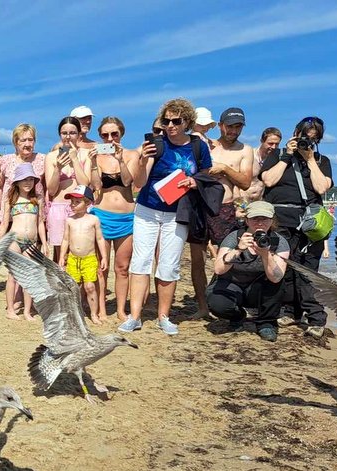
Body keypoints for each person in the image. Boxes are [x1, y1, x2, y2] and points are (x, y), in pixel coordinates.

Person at [122, 98, 212, 335]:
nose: (170, 125)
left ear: (187, 122)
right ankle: (135, 316)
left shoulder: (198, 146)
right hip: (147, 209)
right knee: (140, 261)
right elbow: (139, 182)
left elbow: (206, 175)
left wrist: (194, 182)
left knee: (169, 264)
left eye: (176, 121)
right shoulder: (158, 144)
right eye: (166, 121)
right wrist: (142, 160)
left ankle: (164, 316)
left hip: (178, 212)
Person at [260, 116, 333, 338]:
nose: (306, 143)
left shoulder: (321, 160)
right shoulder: (277, 155)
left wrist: (310, 160)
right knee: (284, 267)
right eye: (304, 137)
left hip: (309, 222)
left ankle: (316, 317)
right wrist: (286, 156)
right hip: (280, 219)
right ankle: (289, 311)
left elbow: (321, 188)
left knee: (308, 269)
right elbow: (268, 180)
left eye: (312, 139)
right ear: (295, 134)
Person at [189, 107, 255, 318]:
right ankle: (202, 307)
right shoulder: (207, 144)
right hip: (200, 206)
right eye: (229, 126)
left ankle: (223, 298)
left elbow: (245, 182)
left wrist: (225, 169)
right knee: (197, 259)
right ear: (220, 126)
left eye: (238, 127)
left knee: (228, 256)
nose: (233, 131)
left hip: (225, 209)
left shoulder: (245, 150)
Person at [208, 201, 289, 341]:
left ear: (272, 220)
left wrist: (266, 255)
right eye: (255, 218)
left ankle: (266, 323)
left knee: (277, 282)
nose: (260, 223)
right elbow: (219, 269)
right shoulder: (234, 237)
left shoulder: (279, 242)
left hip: (259, 289)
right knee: (217, 303)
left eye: (265, 219)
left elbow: (276, 277)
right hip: (232, 284)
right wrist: (238, 249)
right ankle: (237, 316)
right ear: (247, 220)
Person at [87, 116, 140, 321]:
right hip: (102, 215)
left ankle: (120, 309)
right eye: (105, 135)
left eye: (114, 134)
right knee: (102, 267)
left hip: (126, 217)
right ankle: (101, 308)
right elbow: (96, 186)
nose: (110, 139)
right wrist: (93, 163)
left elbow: (128, 181)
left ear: (121, 133)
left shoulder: (131, 154)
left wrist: (120, 160)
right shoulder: (97, 157)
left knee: (122, 267)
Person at [0, 163, 47, 320]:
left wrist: (44, 243)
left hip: (31, 242)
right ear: (17, 182)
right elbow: (4, 223)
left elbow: (40, 223)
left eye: (31, 179)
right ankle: (10, 310)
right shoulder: (11, 199)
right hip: (14, 240)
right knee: (12, 276)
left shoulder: (37, 199)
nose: (28, 182)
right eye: (24, 179)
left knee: (29, 277)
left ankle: (27, 311)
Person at [44, 117, 89, 264]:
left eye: (72, 133)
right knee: (61, 256)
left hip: (80, 209)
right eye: (64, 133)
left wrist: (75, 160)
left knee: (81, 252)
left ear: (79, 134)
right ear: (59, 134)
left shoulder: (85, 154)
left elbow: (85, 185)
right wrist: (58, 168)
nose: (68, 137)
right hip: (58, 208)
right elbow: (51, 190)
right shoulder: (51, 157)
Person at [60, 185, 107, 323]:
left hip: (89, 259)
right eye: (72, 202)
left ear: (87, 203)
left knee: (90, 286)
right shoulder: (69, 220)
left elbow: (100, 239)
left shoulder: (93, 220)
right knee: (73, 287)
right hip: (73, 259)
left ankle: (94, 314)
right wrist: (62, 256)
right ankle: (74, 314)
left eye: (77, 202)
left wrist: (104, 257)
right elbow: (65, 239)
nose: (73, 205)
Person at [0, 123, 46, 229]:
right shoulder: (5, 161)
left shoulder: (43, 160)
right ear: (15, 142)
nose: (27, 144)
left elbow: (47, 187)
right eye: (23, 140)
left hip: (34, 216)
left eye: (30, 140)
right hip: (9, 217)